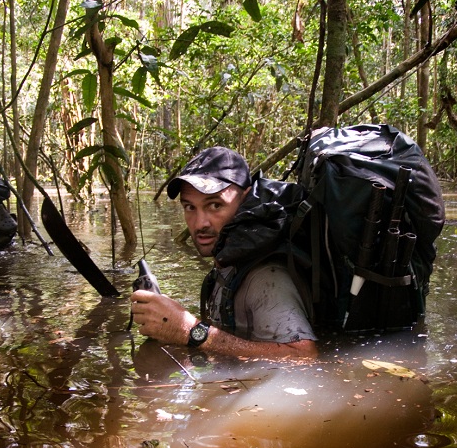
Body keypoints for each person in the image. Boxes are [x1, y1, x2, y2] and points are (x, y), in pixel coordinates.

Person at [130, 147, 318, 360]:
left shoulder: (266, 276)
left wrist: (189, 331)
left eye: (215, 205)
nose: (200, 224)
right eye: (190, 207)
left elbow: (303, 356)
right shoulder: (229, 260)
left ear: (245, 199)